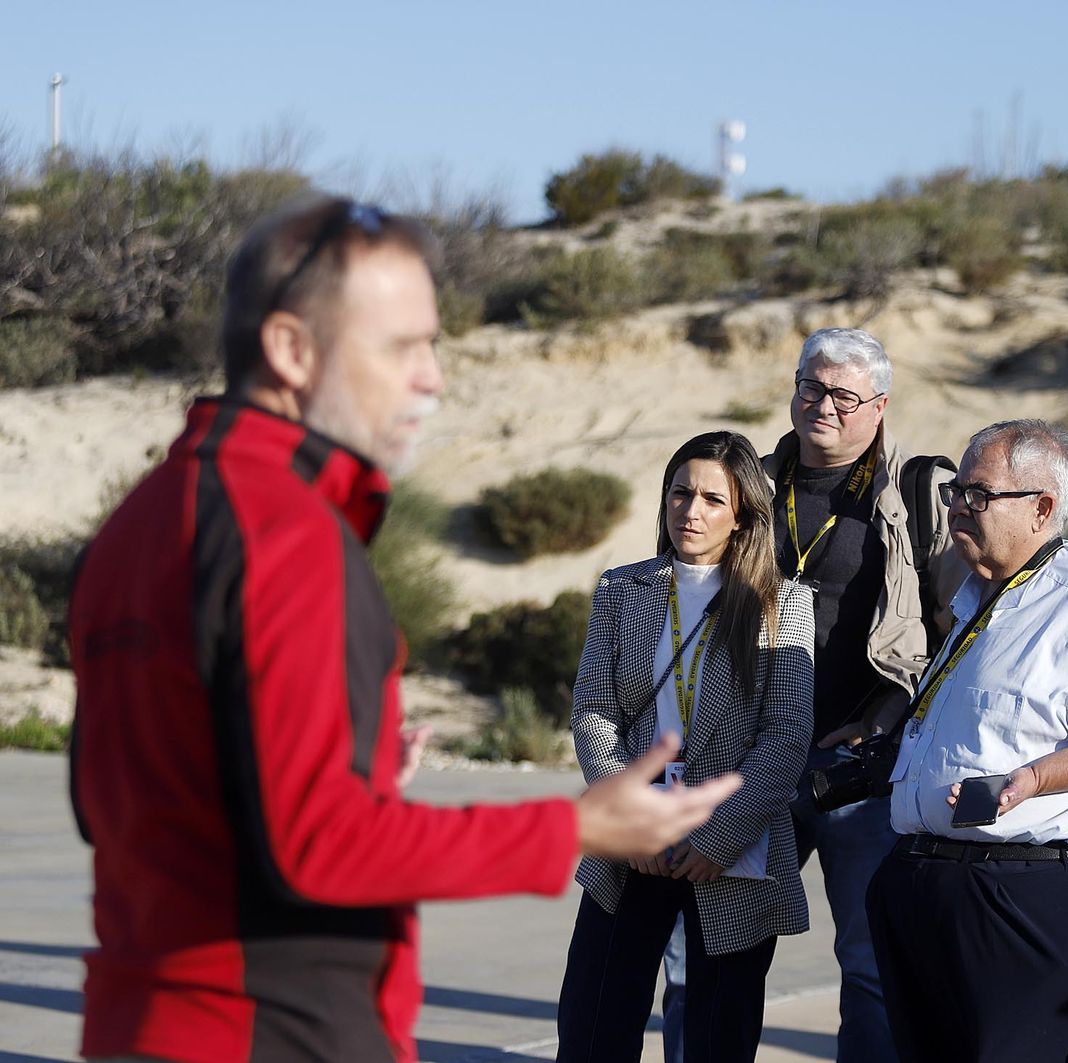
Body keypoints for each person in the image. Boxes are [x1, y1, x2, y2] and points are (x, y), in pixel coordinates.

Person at [66, 197, 740, 1063]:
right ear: (291, 349)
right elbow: (322, 844)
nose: (432, 378)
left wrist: (351, 768)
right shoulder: (287, 534)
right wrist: (571, 830)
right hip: (275, 1029)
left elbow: (112, 799)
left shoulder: (140, 520)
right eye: (403, 347)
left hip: (138, 1023)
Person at [660, 327, 959, 1063]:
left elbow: (958, 626)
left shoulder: (917, 494)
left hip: (860, 770)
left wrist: (890, 713)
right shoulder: (749, 485)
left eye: (844, 395)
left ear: (879, 406)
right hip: (748, 762)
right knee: (707, 956)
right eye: (811, 386)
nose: (823, 404)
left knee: (871, 966)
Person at [865, 418, 1068, 1062]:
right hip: (932, 889)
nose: (959, 507)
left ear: (1042, 508)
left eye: (979, 494)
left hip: (1033, 899)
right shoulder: (977, 596)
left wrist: (1037, 779)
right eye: (956, 492)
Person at [557, 431, 815, 1063]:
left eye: (711, 499)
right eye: (680, 493)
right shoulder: (622, 589)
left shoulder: (784, 603)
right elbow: (593, 709)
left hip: (729, 846)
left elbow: (786, 735)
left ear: (742, 515)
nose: (690, 511)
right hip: (633, 841)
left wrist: (717, 837)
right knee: (593, 1025)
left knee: (718, 1035)